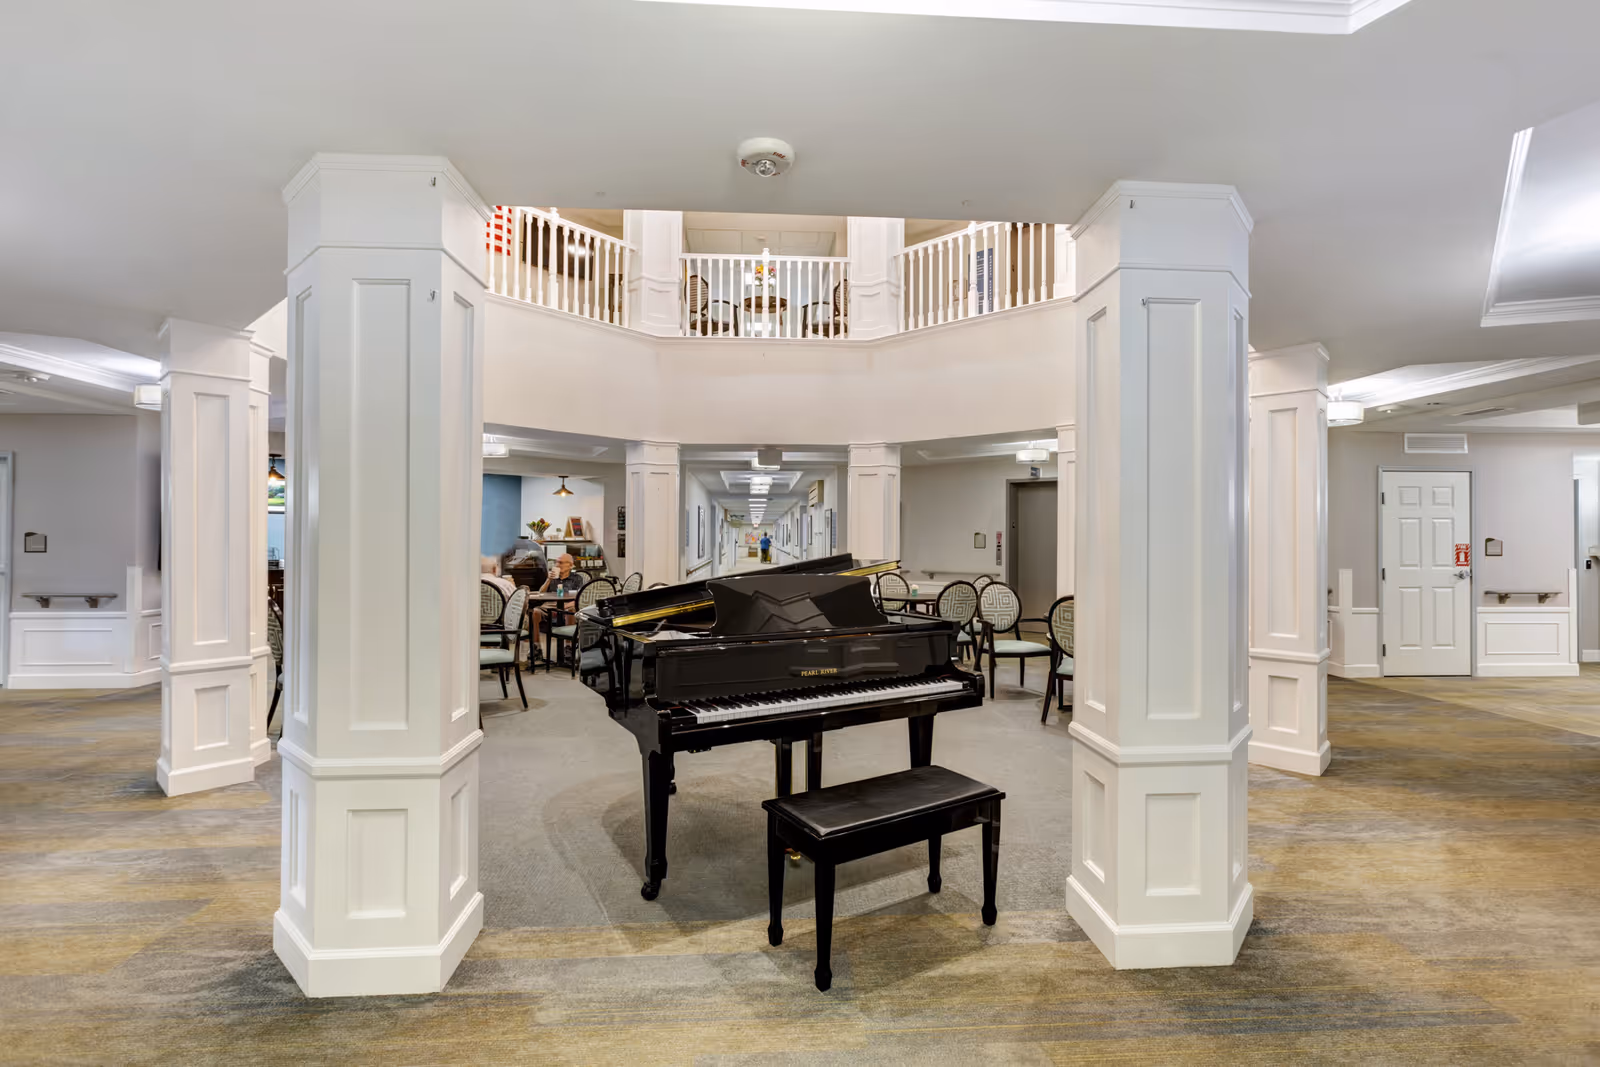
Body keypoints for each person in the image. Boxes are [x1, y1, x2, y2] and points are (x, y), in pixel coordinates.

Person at [531, 554, 585, 662]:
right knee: (535, 612)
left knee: (571, 611)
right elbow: (541, 593)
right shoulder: (552, 578)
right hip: (550, 605)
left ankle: (568, 647)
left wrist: (566, 605)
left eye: (561, 562)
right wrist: (548, 580)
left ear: (570, 565)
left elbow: (581, 597)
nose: (557, 565)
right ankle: (536, 647)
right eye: (556, 562)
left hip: (568, 604)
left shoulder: (577, 578)